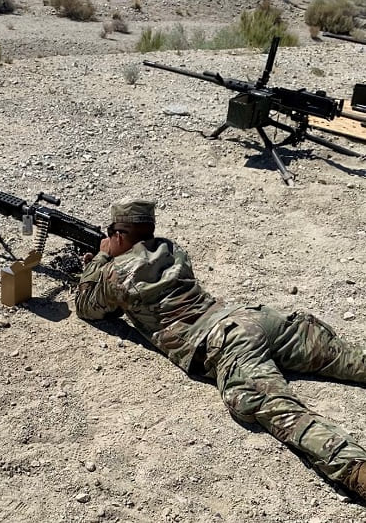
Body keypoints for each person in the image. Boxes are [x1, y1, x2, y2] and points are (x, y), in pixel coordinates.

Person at [75, 198, 366, 500]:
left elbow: (87, 307)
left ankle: (356, 469)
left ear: (119, 235)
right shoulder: (170, 249)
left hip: (224, 341)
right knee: (348, 358)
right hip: (253, 317)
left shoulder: (116, 274)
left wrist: (100, 259)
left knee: (283, 412)